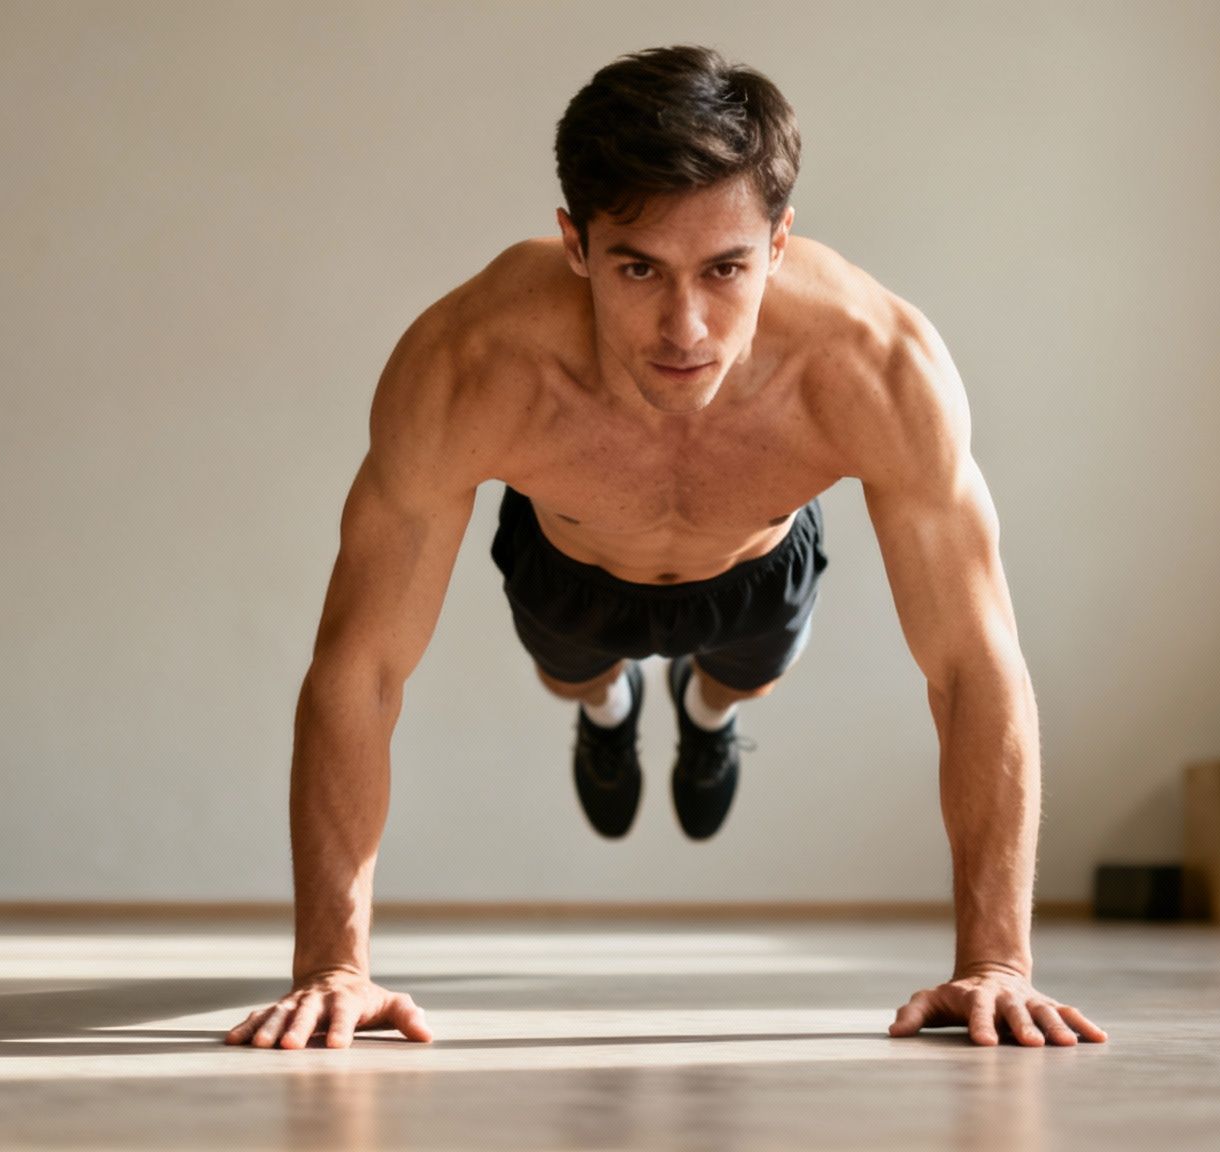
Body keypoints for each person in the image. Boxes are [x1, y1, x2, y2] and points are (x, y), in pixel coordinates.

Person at [226, 45, 1108, 1053]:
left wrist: (995, 961)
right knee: (575, 671)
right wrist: (332, 966)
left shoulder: (872, 365)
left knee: (741, 679)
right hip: (567, 568)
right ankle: (607, 707)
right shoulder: (470, 366)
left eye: (724, 269)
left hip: (753, 568)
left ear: (778, 245)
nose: (682, 326)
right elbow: (361, 667)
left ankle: (704, 712)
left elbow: (969, 662)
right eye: (637, 268)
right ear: (574, 243)